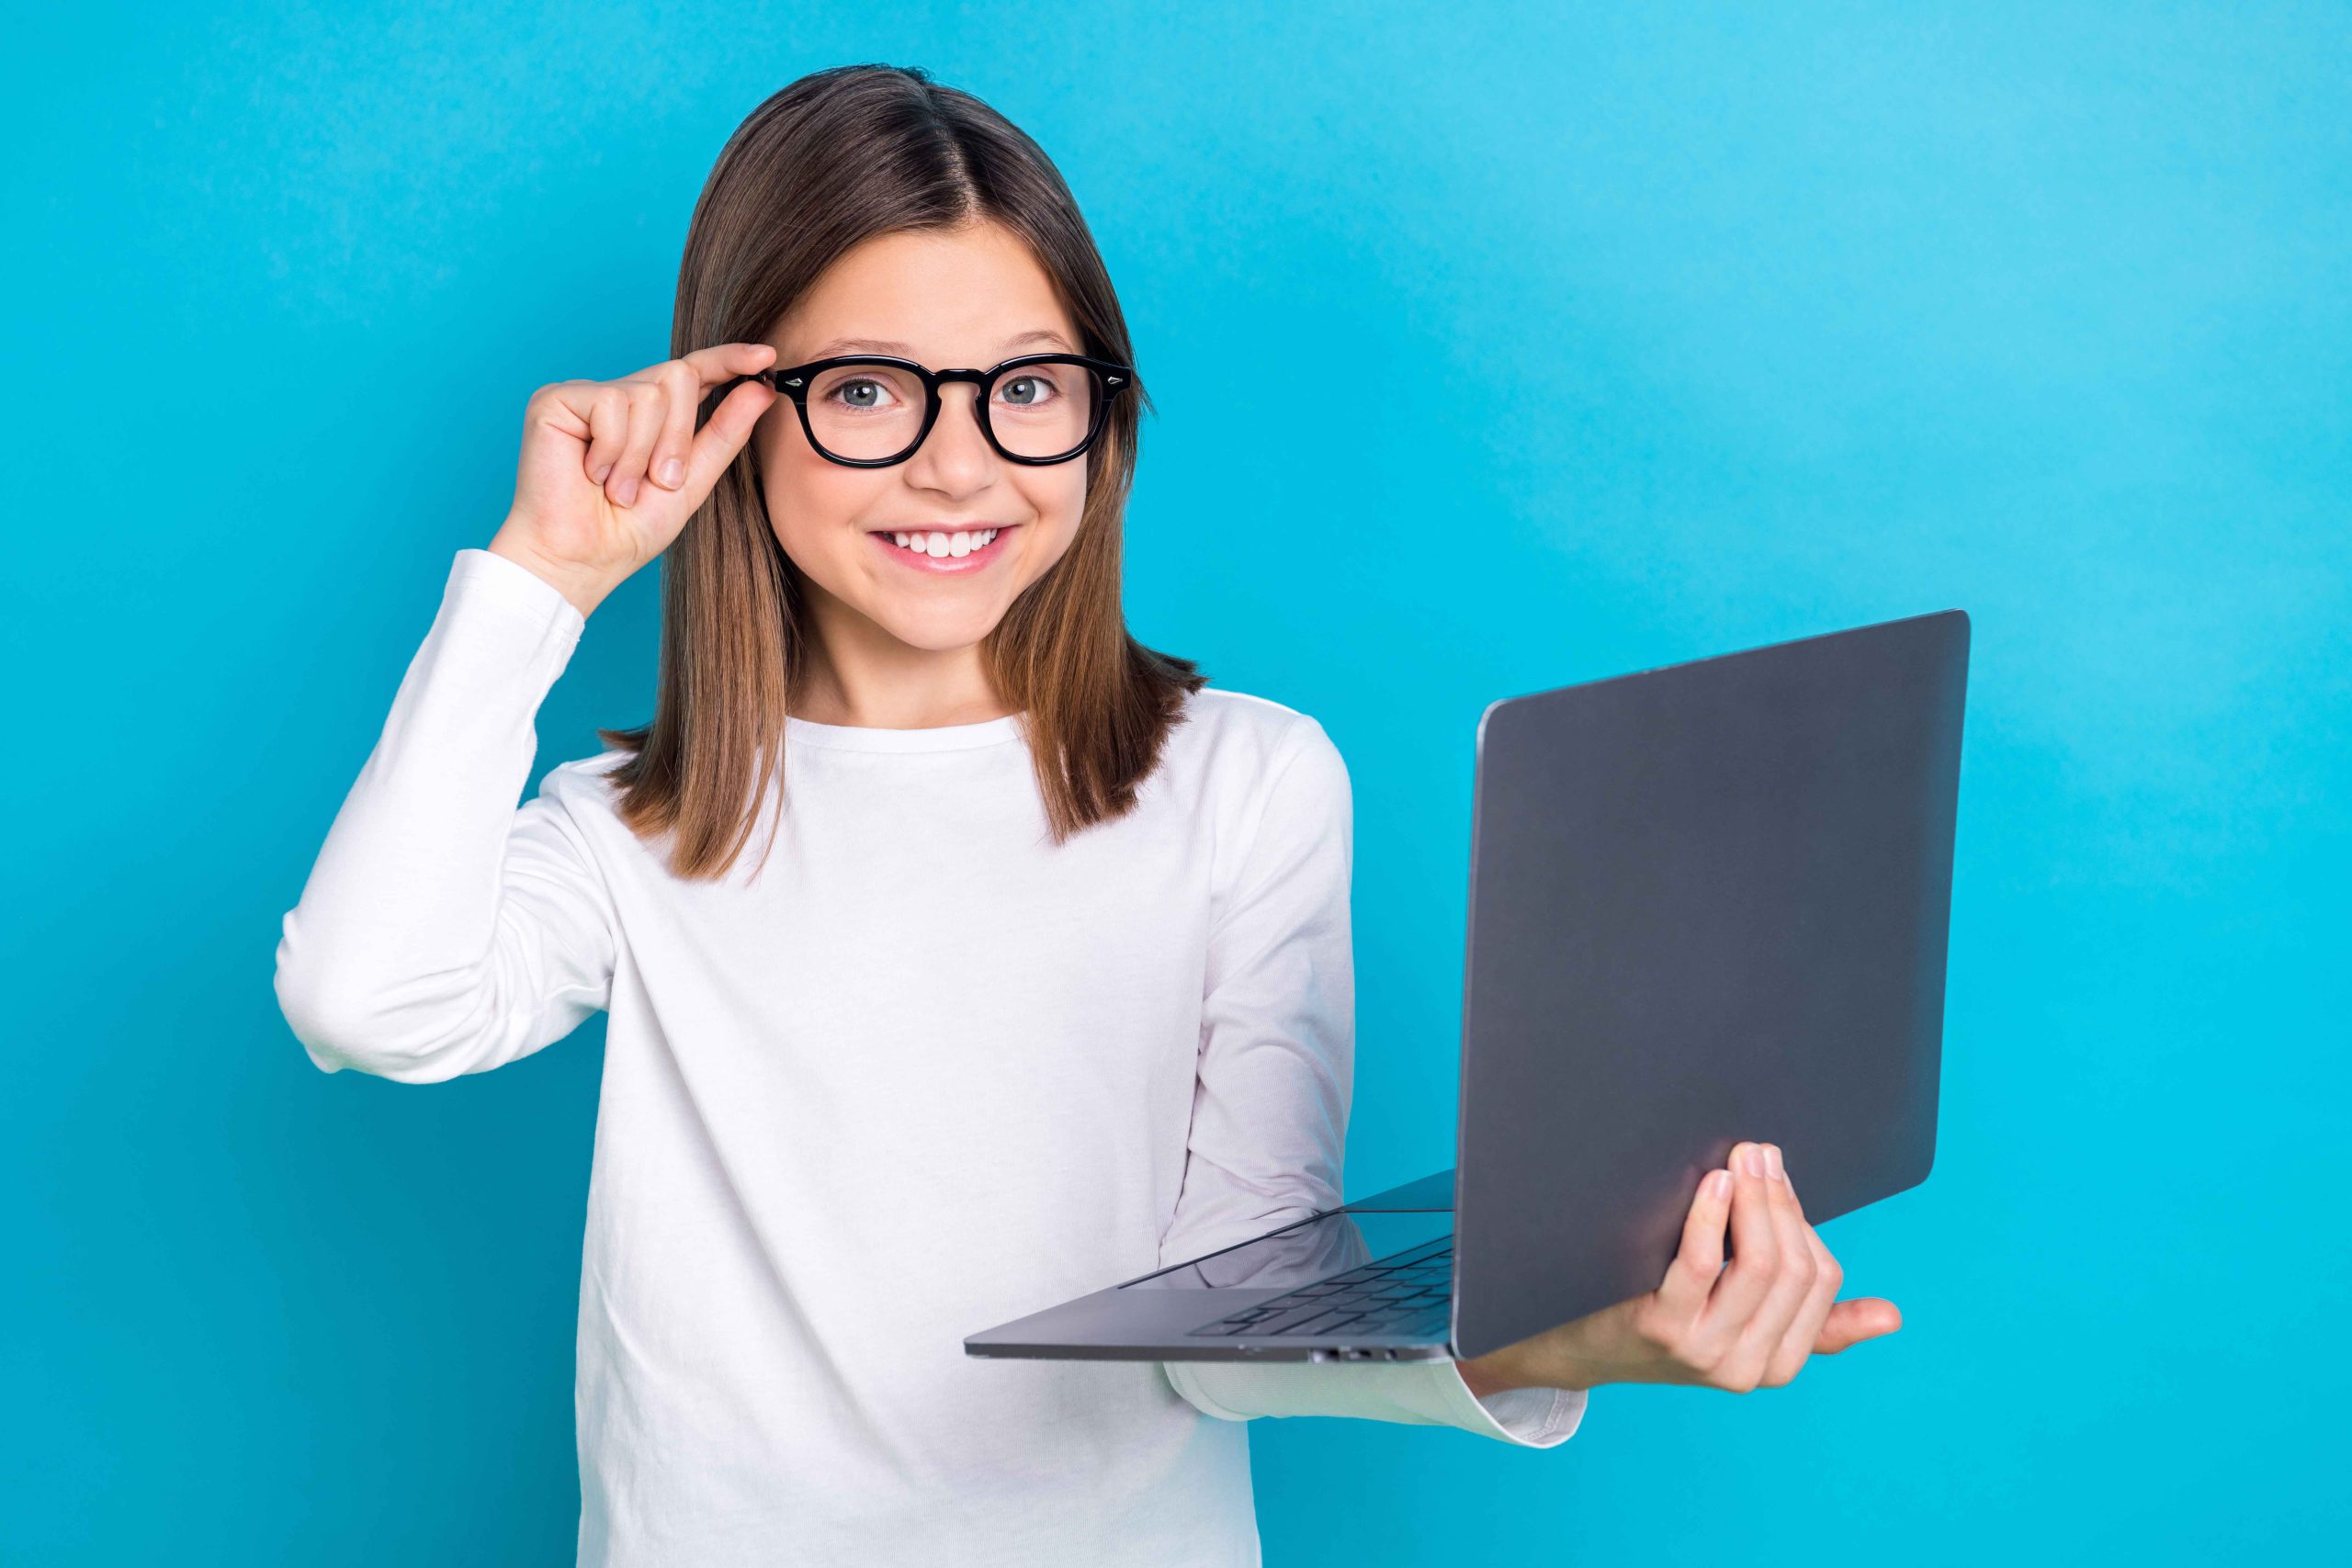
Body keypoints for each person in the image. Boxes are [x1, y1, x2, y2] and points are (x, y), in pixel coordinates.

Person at [273, 62, 1901, 1568]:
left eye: (1025, 390)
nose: (959, 467)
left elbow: (1236, 1333)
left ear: (1101, 416)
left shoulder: (1245, 782)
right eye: (867, 392)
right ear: (739, 417)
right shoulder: (637, 826)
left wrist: (1579, 1343)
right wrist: (542, 578)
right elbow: (363, 1001)